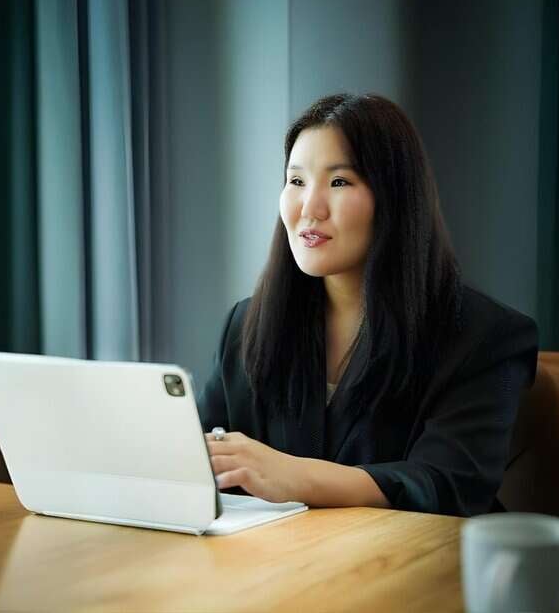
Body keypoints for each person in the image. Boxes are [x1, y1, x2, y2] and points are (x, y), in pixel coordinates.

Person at [196, 93, 537, 517]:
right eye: (297, 181)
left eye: (339, 182)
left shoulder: (485, 336)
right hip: (277, 569)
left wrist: (293, 475)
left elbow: (448, 484)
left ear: (394, 199)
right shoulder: (246, 324)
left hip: (414, 571)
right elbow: (198, 457)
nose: (309, 207)